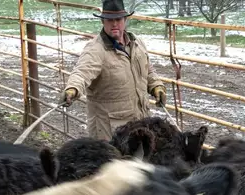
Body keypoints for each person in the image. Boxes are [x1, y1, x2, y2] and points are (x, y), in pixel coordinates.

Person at [57, 0, 167, 140]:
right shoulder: (96, 49)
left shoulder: (137, 44)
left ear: (125, 20)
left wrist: (156, 86)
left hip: (139, 125)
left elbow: (148, 70)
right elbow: (82, 72)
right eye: (109, 20)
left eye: (118, 19)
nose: (114, 24)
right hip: (109, 133)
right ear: (103, 22)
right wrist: (72, 89)